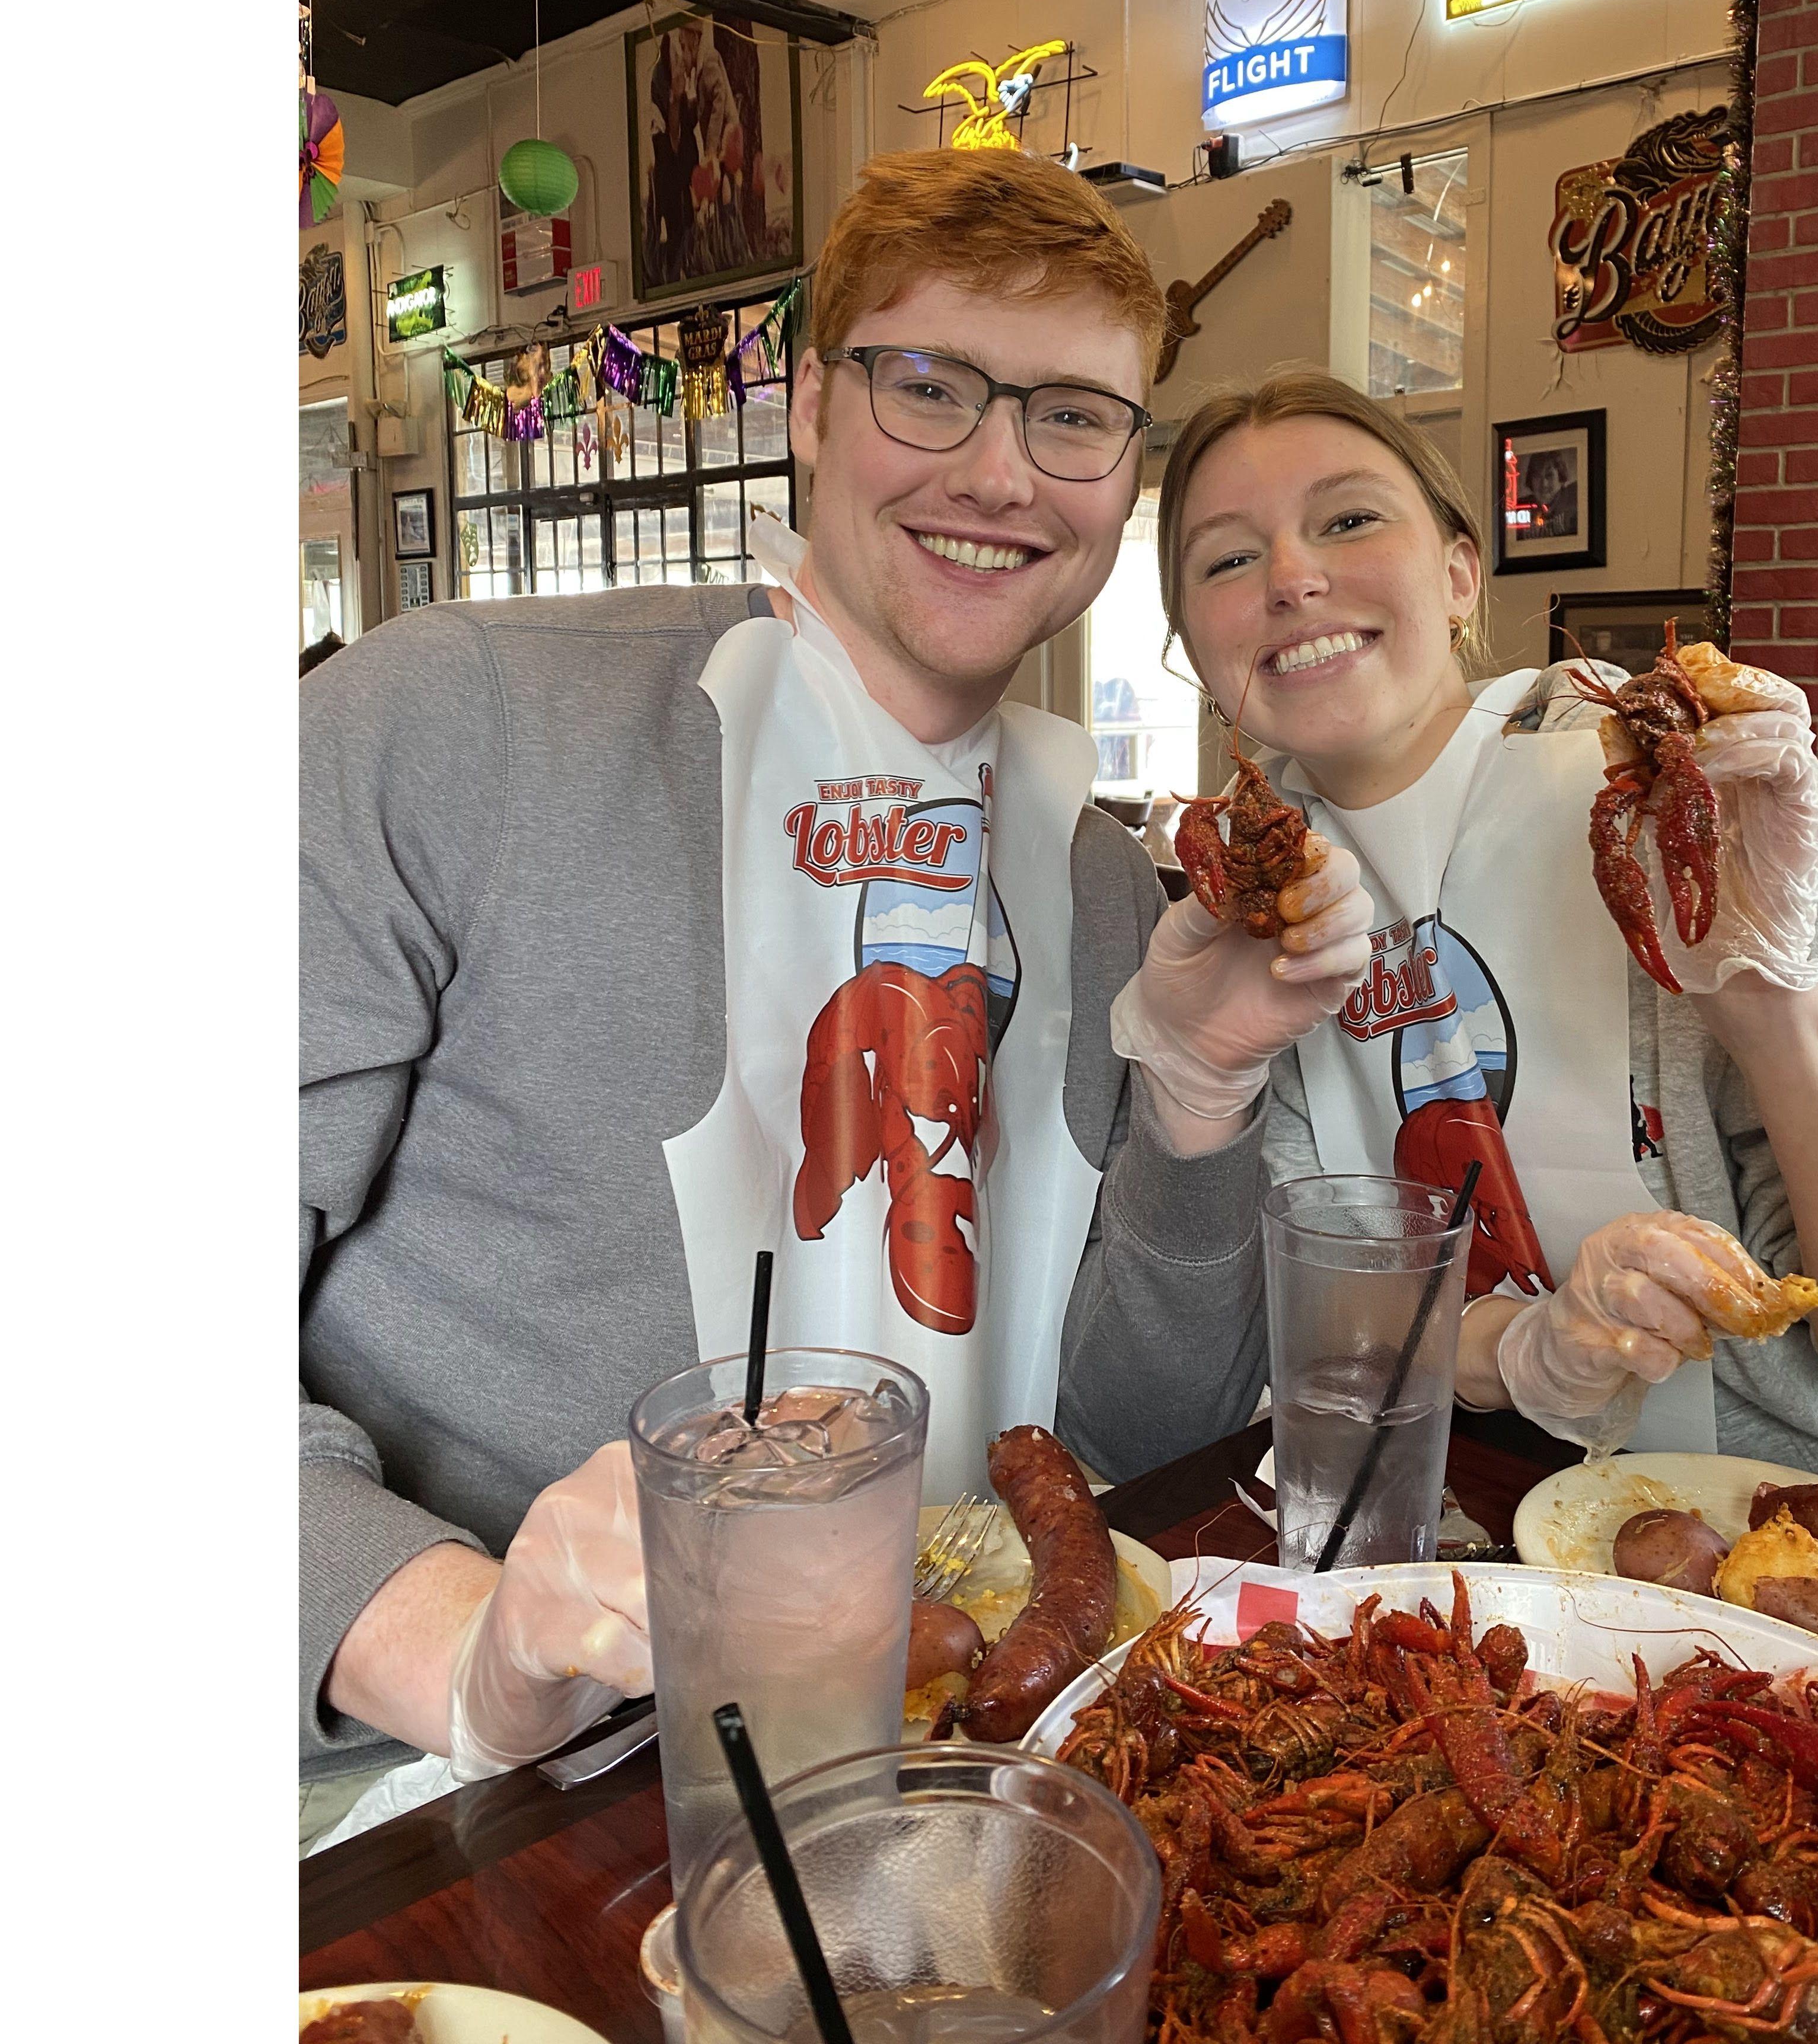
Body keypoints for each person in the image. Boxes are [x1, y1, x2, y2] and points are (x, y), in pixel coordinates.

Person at [301, 153, 1370, 1843]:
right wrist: (461, 1649)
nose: (1000, 474)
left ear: (1123, 478)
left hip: (956, 1780)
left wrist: (1198, 1092)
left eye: (1074, 418)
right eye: (929, 386)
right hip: (472, 1809)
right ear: (809, 408)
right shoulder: (445, 724)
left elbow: (1127, 1444)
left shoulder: (1105, 884)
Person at [1069, 366, 1818, 1564]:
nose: (1292, 577)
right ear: (1193, 643)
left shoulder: (1702, 789)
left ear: (1461, 573)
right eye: (1230, 559)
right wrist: (1523, 1351)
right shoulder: (1253, 912)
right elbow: (1341, 1311)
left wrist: (1774, 1015)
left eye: (1348, 519)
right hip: (1569, 1535)